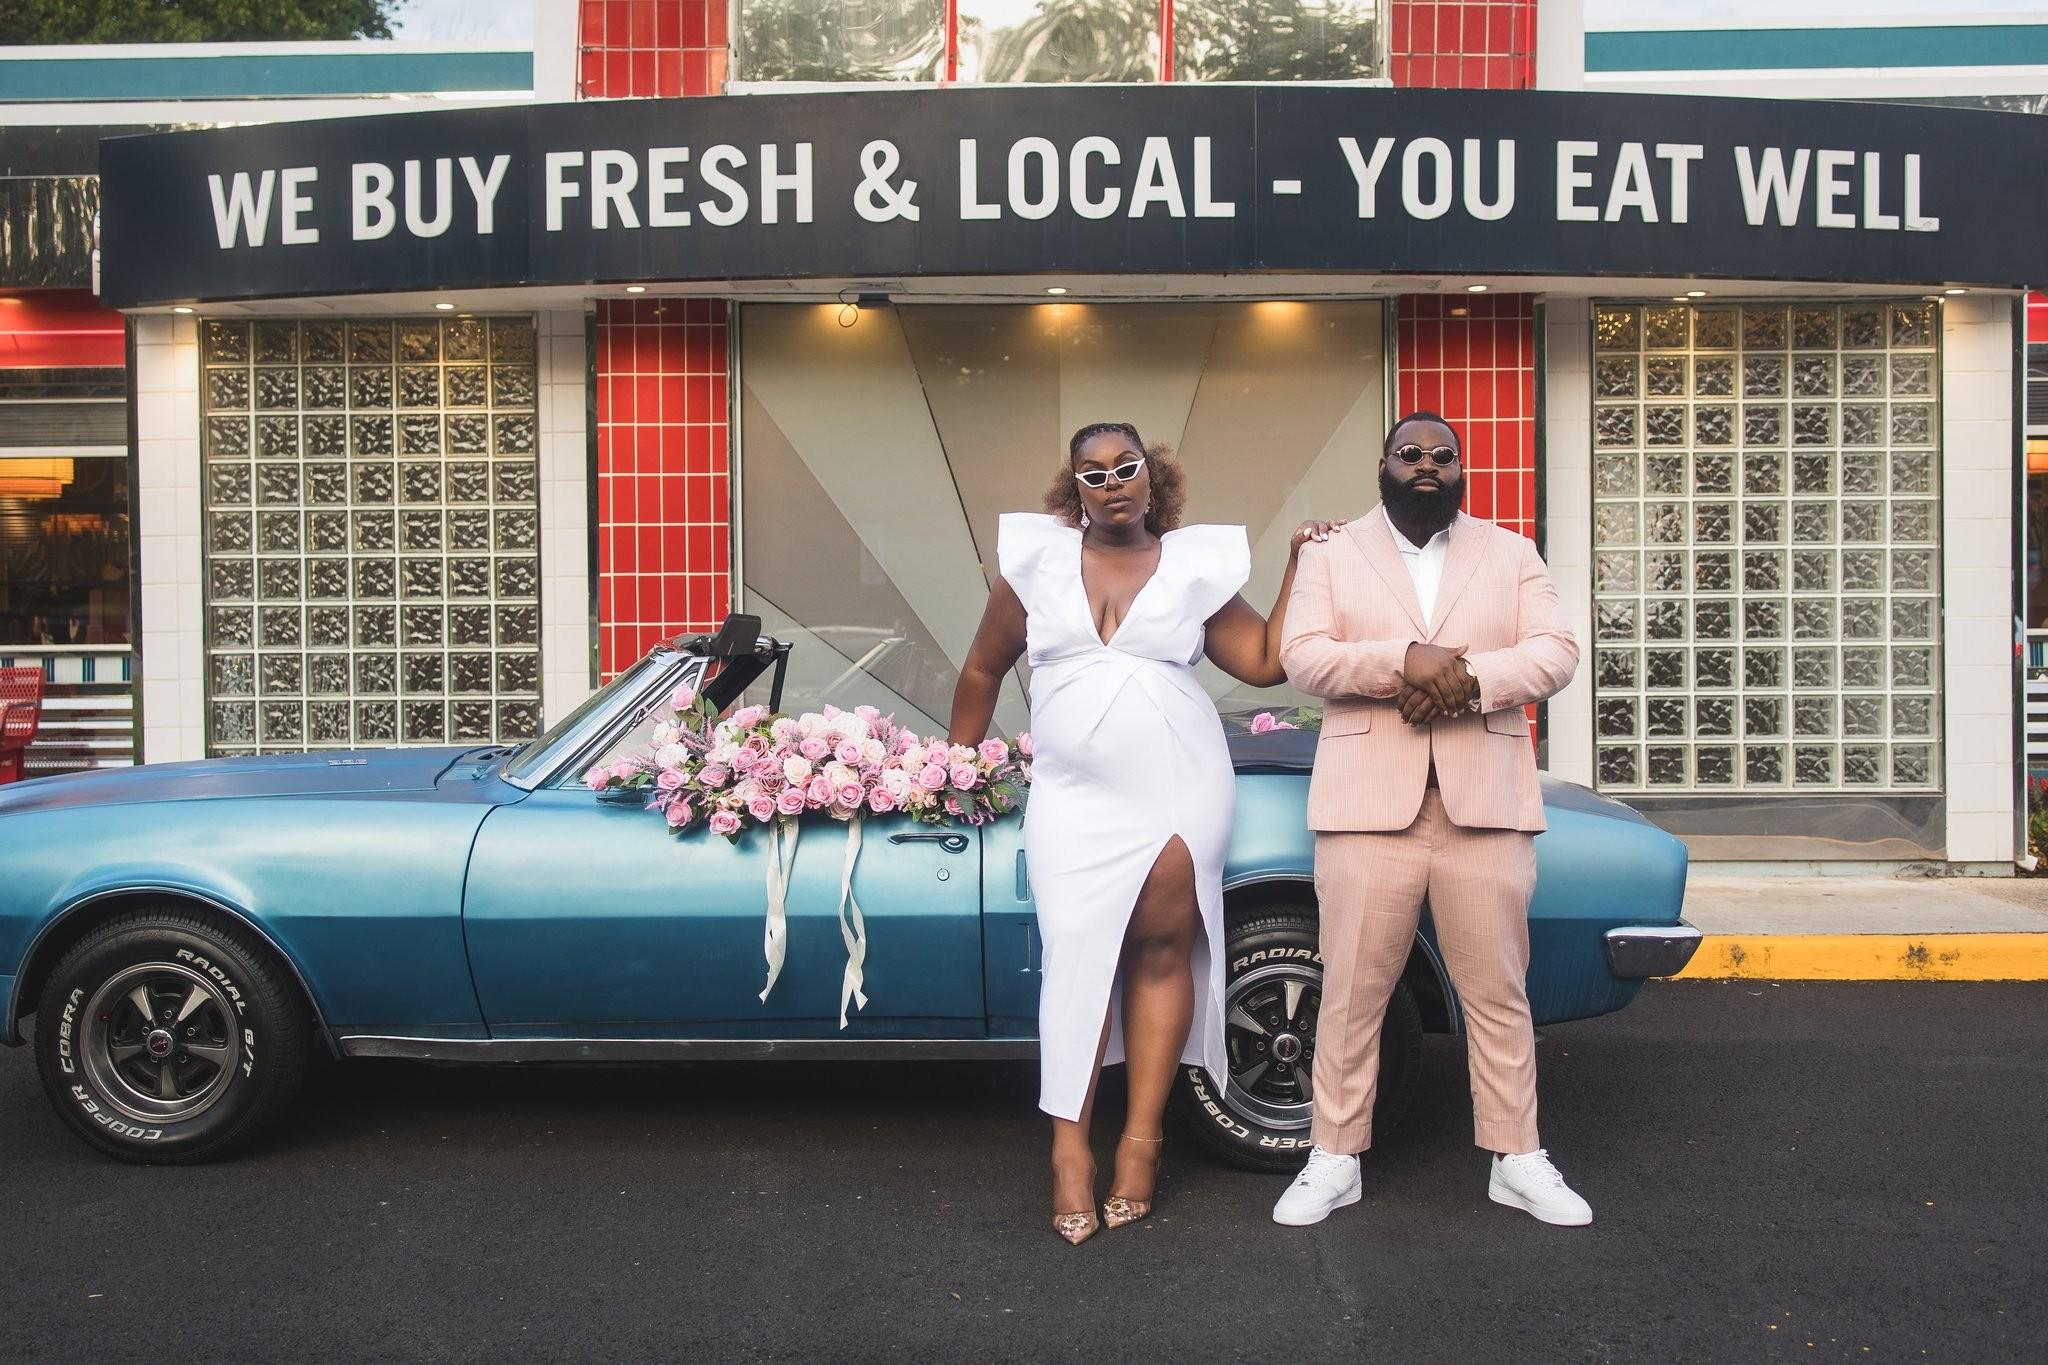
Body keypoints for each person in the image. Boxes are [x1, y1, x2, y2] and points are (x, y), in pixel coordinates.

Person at [949, 421, 1340, 1245]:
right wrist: (959, 768)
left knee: (1162, 951)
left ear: (1152, 478)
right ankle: (1067, 1153)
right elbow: (982, 670)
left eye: (1127, 467)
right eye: (1094, 473)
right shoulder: (1034, 565)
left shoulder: (1192, 567)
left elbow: (1266, 661)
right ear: (1073, 488)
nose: (1113, 482)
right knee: (1077, 958)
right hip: (1070, 798)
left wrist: (1300, 563)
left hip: (1178, 786)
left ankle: (1142, 1138)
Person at [1271, 411, 1589, 1228]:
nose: (1426, 465)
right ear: (1383, 463)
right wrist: (1397, 663)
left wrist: (1466, 678)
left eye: (1442, 456)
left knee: (1498, 991)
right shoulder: (1332, 552)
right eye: (1410, 453)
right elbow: (1303, 653)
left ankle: (1517, 1155)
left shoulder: (1511, 552)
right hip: (1367, 806)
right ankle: (1333, 1156)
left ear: (1460, 469)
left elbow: (1555, 650)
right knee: (1350, 991)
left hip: (1484, 804)